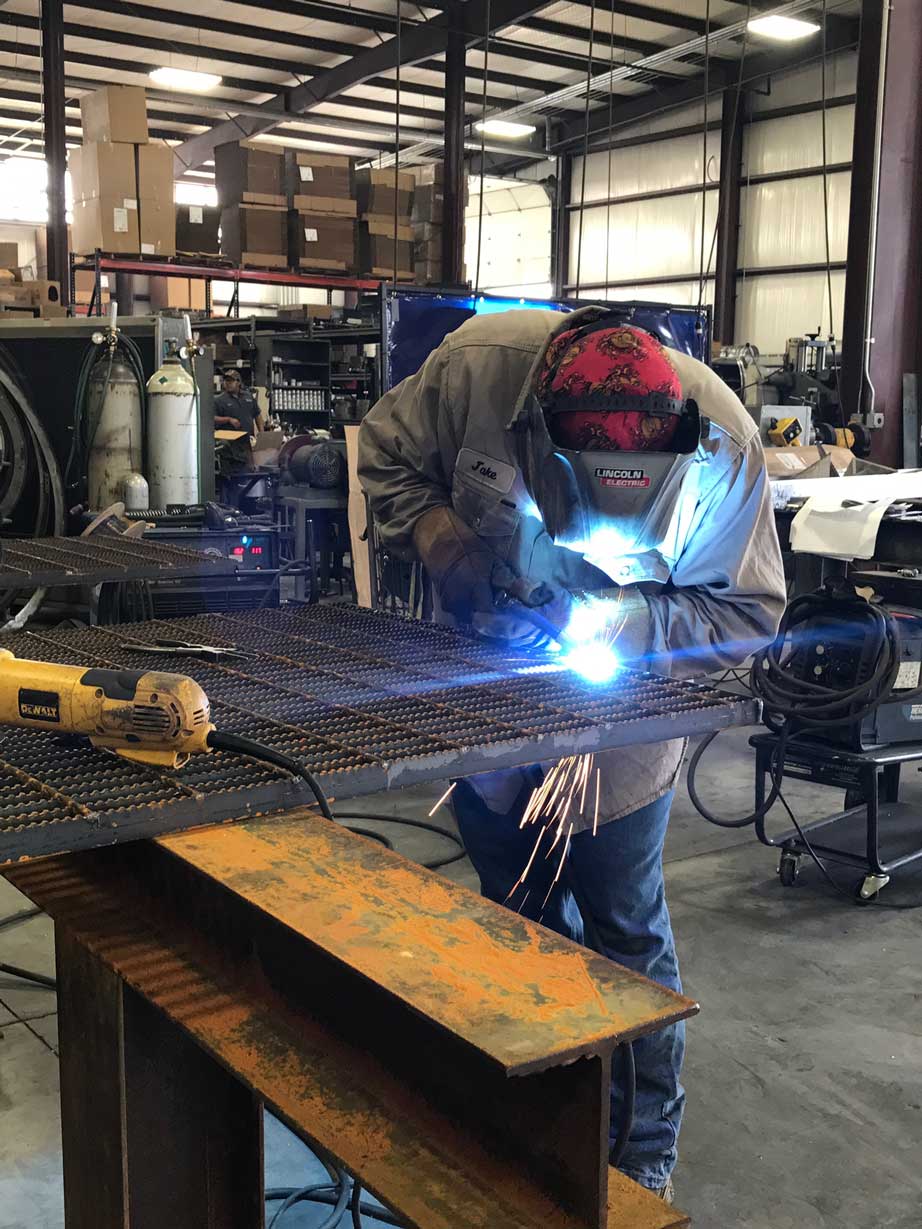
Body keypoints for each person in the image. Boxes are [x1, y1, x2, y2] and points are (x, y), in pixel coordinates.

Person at [357, 306, 785, 1202]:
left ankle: (638, 1164)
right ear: (534, 445)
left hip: (624, 708)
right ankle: (530, 1121)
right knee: (514, 918)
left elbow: (747, 618)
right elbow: (383, 453)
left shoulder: (728, 455)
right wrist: (441, 539)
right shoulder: (473, 373)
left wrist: (628, 620)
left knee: (625, 935)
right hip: (484, 687)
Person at [214, 368, 263, 435]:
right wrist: (228, 419)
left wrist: (262, 433)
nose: (227, 383)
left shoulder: (248, 396)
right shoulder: (219, 400)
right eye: (226, 380)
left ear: (239, 382)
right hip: (229, 441)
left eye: (231, 381)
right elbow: (213, 418)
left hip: (248, 440)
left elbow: (257, 414)